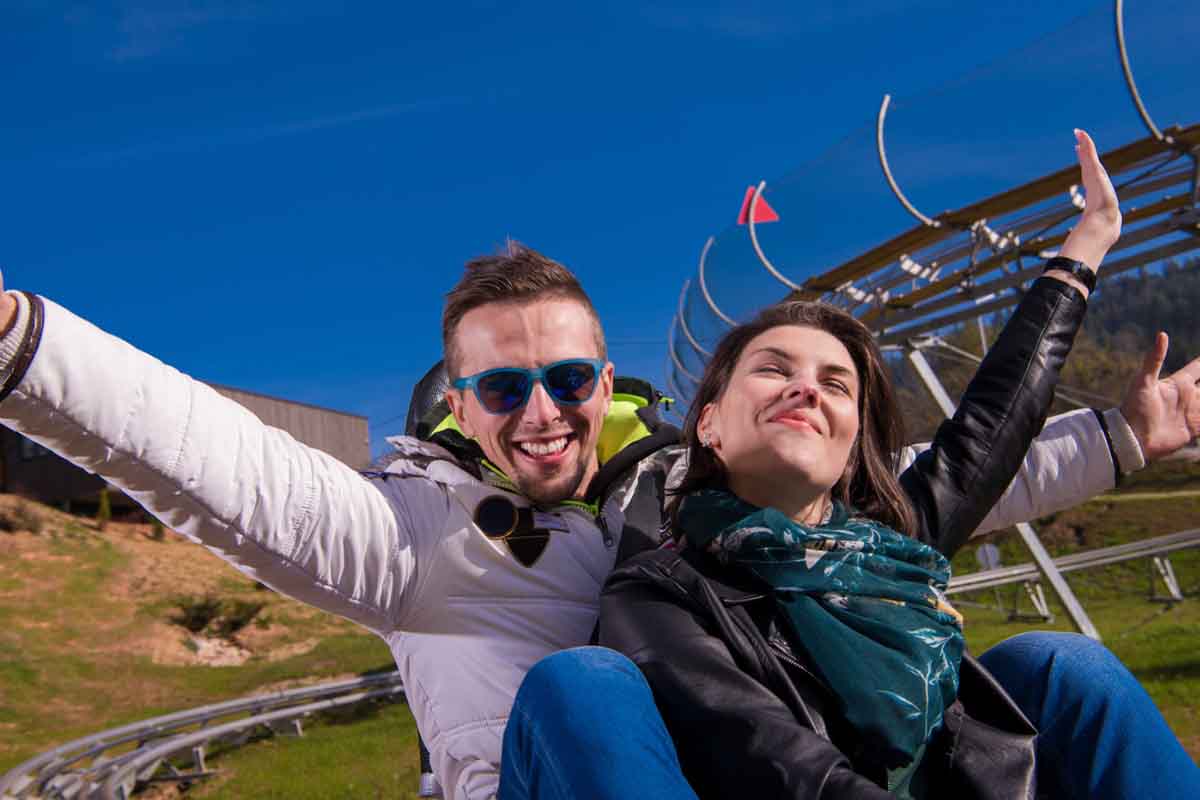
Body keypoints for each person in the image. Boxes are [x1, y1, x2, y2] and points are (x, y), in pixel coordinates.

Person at [0, 140, 1197, 797]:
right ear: (460, 406)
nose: (542, 413)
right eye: (503, 387)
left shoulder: (680, 499)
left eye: (567, 381)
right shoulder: (432, 534)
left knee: (1051, 663)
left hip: (749, 779)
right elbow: (236, 470)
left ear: (610, 384)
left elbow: (923, 489)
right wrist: (27, 345)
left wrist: (1124, 434)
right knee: (580, 691)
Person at [587, 132, 1200, 799]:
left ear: (853, 442)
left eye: (836, 383)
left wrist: (1086, 248)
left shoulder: (887, 548)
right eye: (773, 369)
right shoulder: (663, 588)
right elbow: (777, 759)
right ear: (707, 423)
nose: (807, 389)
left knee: (1060, 662)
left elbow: (990, 425)